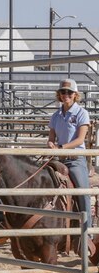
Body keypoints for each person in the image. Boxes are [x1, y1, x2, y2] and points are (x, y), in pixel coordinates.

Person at [48, 78, 92, 229]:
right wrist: (51, 144)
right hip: (59, 158)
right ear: (59, 95)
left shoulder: (82, 113)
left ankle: (88, 231)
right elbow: (51, 137)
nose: (65, 94)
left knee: (82, 191)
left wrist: (60, 147)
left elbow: (80, 140)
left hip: (75, 159)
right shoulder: (55, 115)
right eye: (62, 92)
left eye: (69, 92)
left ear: (75, 95)